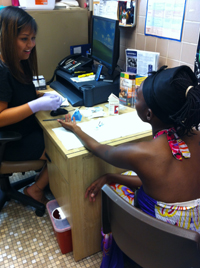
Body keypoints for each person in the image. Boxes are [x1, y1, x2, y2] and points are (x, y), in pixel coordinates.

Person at [58, 65, 200, 266]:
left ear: (149, 114)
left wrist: (75, 128)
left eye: (138, 98)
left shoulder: (142, 153)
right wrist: (112, 176)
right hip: (191, 246)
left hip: (159, 240)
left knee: (114, 193)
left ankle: (115, 255)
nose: (135, 99)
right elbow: (163, 185)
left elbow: (99, 148)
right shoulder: (195, 137)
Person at [0, 6, 63, 205]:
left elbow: (16, 94)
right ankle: (35, 190)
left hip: (23, 129)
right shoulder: (2, 70)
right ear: (7, 38)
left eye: (33, 38)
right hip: (11, 141)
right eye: (24, 38)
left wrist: (40, 96)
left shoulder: (18, 61)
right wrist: (36, 105)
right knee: (62, 147)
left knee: (58, 128)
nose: (30, 45)